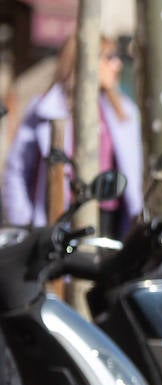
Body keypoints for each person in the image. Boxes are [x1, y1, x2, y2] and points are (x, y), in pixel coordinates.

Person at [3, 34, 142, 235]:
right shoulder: (46, 108)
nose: (118, 64)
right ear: (85, 61)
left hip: (111, 221)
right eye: (109, 57)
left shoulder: (124, 113)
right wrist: (23, 222)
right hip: (61, 218)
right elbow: (16, 169)